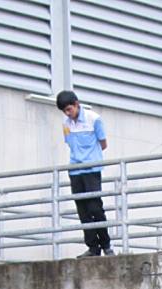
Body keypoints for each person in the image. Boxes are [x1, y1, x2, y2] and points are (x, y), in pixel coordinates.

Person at [55, 89, 114, 258]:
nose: (68, 113)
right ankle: (92, 247)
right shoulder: (66, 123)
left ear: (76, 104)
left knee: (95, 207)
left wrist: (91, 157)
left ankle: (106, 244)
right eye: (65, 111)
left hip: (92, 169)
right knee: (83, 210)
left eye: (69, 109)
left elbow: (103, 143)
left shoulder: (93, 119)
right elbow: (69, 144)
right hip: (75, 170)